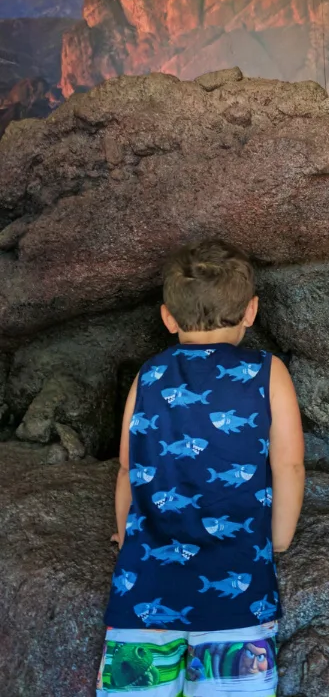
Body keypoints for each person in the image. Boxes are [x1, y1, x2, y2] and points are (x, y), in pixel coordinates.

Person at [97, 240, 305, 696]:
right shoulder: (268, 373)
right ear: (251, 311)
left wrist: (125, 532)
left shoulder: (148, 375)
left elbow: (128, 467)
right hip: (240, 600)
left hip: (142, 595)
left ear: (168, 318)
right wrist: (281, 537)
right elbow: (288, 464)